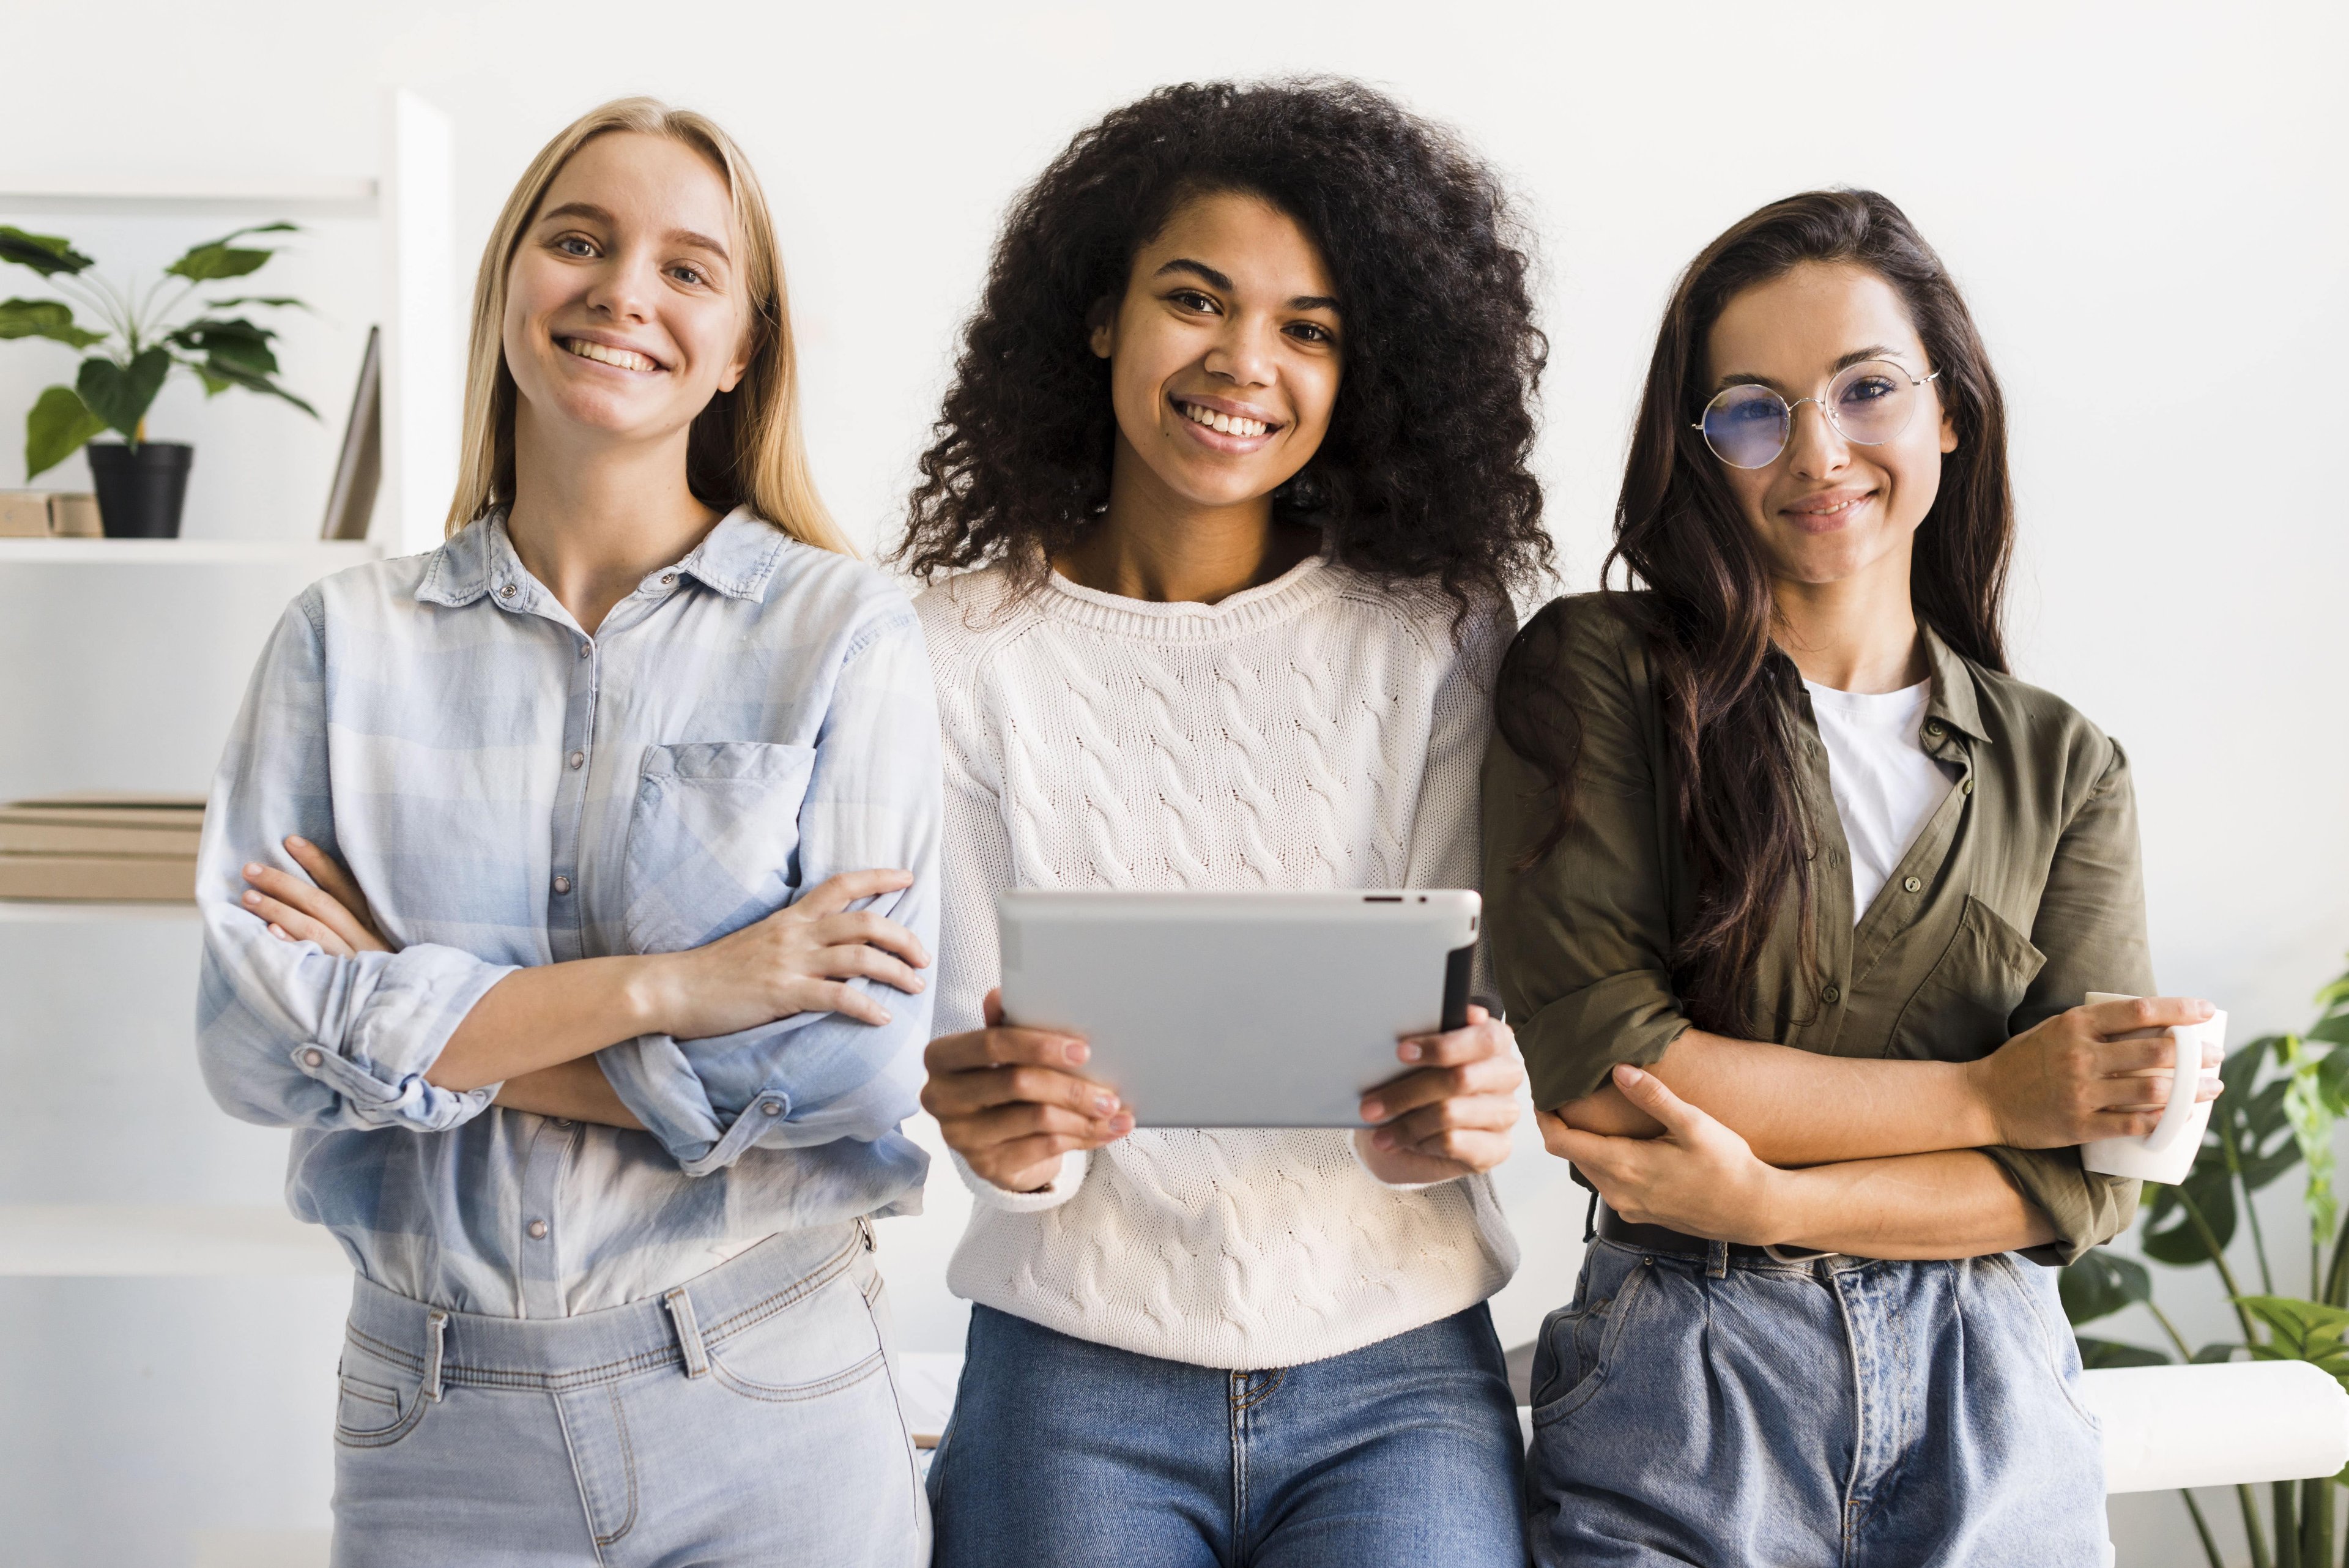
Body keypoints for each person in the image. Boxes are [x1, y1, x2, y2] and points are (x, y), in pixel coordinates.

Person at [195, 98, 939, 1566]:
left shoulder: (845, 633)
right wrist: (684, 987)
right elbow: (246, 1045)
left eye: (688, 267)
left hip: (768, 1392)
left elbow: (856, 1068)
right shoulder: (343, 640)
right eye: (579, 241)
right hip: (436, 1419)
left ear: (742, 347)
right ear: (508, 284)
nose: (623, 293)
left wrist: (412, 1007)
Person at [1483, 188, 2224, 1567]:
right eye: (1753, 410)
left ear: (1950, 410)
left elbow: (2088, 1172)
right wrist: (1986, 1099)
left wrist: (1778, 1203)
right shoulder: (1600, 673)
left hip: (1990, 1389)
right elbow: (1606, 1065)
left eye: (1867, 389)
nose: (1817, 452)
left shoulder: (2065, 766)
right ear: (1702, 453)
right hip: (1689, 1384)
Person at [899, 78, 1551, 1567]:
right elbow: (976, 1050)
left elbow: (1478, 993)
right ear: (1099, 316)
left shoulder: (1437, 633)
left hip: (1394, 1361)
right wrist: (1002, 1127)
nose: (1244, 362)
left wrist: (1479, 1093)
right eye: (1196, 300)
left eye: (1308, 328)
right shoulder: (953, 650)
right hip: (1075, 1360)